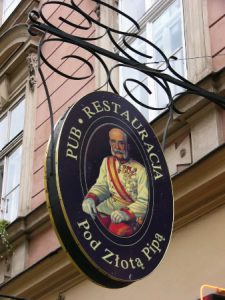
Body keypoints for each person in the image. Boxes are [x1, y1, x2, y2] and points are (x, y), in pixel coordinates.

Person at [82, 128, 149, 237]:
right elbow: (102, 186)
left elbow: (144, 202)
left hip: (131, 217)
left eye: (121, 143)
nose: (116, 147)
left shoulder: (141, 171)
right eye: (113, 142)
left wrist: (126, 214)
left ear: (129, 145)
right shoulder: (107, 162)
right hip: (107, 208)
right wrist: (90, 198)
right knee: (89, 225)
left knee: (118, 232)